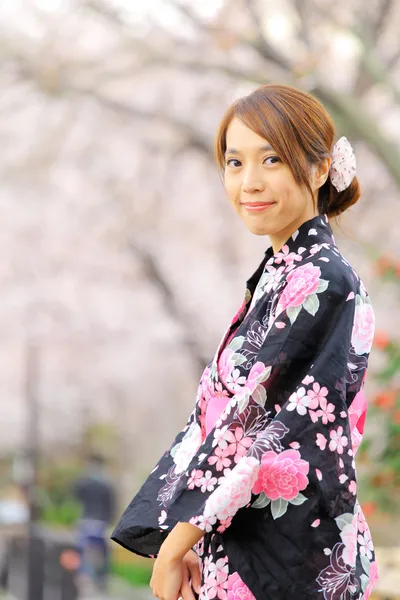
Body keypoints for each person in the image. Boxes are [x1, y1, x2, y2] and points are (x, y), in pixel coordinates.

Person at [111, 84, 378, 599]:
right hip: (250, 542)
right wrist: (182, 529)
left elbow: (255, 424)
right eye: (234, 163)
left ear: (321, 169)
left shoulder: (322, 277)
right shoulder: (282, 272)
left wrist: (176, 541)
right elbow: (212, 419)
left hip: (289, 557)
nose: (249, 182)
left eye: (272, 159)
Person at [72, 454, 116, 591]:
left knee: (81, 549)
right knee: (103, 552)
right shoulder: (106, 485)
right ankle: (101, 579)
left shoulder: (84, 483)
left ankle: (82, 575)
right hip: (101, 522)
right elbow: (111, 506)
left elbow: (75, 494)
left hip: (86, 520)